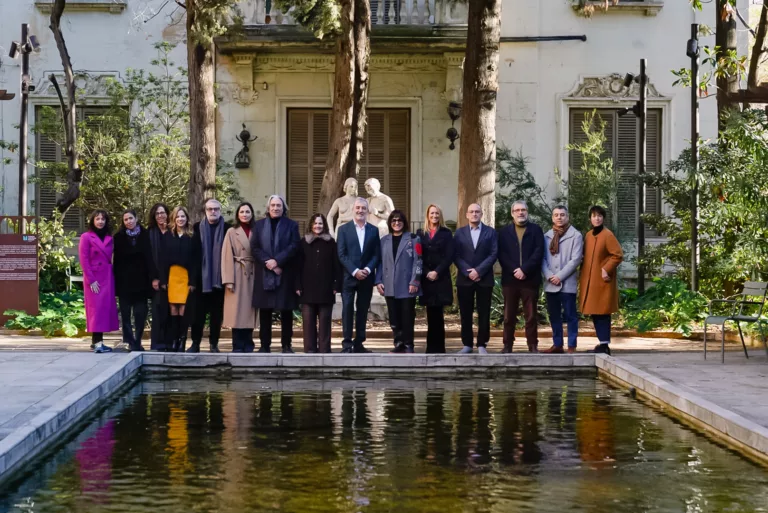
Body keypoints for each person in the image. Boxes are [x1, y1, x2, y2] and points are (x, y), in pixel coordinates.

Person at [251, 195, 301, 353]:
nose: (275, 208)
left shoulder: (292, 225)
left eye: (278, 205)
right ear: (268, 207)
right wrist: (270, 263)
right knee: (265, 312)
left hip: (285, 273)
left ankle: (286, 345)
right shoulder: (258, 226)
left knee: (286, 311)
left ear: (283, 207)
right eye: (272, 205)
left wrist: (278, 261)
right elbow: (255, 248)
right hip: (265, 273)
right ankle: (265, 346)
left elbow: (294, 246)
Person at [498, 200, 545, 353]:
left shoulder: (536, 230)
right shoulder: (504, 232)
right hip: (510, 281)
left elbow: (538, 252)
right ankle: (507, 345)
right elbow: (502, 254)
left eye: (523, 209)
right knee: (508, 316)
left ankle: (532, 345)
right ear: (512, 213)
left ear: (527, 212)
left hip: (530, 279)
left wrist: (524, 269)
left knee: (531, 316)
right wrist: (515, 270)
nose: (520, 212)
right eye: (517, 210)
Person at [337, 197, 381, 353]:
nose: (360, 210)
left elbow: (377, 255)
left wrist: (367, 270)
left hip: (367, 278)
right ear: (353, 209)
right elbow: (341, 254)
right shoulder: (343, 230)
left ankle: (359, 343)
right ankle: (347, 344)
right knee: (347, 310)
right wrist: (355, 271)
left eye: (363, 208)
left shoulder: (373, 230)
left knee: (362, 310)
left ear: (367, 210)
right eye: (358, 208)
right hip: (349, 277)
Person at [453, 203, 498, 354]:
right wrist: (468, 272)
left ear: (481, 214)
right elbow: (456, 255)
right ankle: (467, 344)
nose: (474, 214)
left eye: (477, 212)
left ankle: (482, 344)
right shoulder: (459, 233)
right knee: (465, 313)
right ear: (467, 215)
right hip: (465, 280)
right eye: (471, 212)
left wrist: (478, 271)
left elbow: (493, 254)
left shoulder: (491, 232)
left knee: (484, 313)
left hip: (484, 279)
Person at [579, 205, 623, 355]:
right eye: (593, 216)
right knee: (595, 312)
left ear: (603, 218)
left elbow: (617, 255)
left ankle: (605, 344)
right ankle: (601, 343)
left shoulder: (607, 235)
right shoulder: (589, 235)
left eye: (599, 216)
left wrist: (606, 269)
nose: (596, 218)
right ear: (590, 218)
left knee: (603, 312)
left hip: (602, 281)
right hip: (590, 282)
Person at [376, 210, 422, 353]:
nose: (396, 223)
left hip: (407, 285)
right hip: (389, 285)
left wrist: (415, 281)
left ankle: (409, 345)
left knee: (407, 316)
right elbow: (379, 263)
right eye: (394, 221)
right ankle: (399, 343)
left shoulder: (414, 239)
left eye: (399, 220)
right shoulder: (384, 241)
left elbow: (418, 261)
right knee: (394, 318)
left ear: (404, 222)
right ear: (390, 223)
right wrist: (378, 281)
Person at [189, 198, 231, 353]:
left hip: (219, 280)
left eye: (216, 209)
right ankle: (195, 344)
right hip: (201, 280)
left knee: (216, 315)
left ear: (220, 210)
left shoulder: (227, 229)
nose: (213, 212)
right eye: (210, 209)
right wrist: (192, 280)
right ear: (205, 211)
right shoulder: (197, 228)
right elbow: (193, 257)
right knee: (197, 315)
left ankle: (214, 344)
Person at [295, 213, 342, 353]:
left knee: (325, 322)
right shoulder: (303, 242)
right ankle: (309, 350)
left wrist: (336, 285)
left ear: (324, 226)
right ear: (311, 225)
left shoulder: (331, 243)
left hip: (326, 288)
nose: (317, 226)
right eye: (315, 223)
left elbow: (337, 266)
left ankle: (324, 350)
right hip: (307, 288)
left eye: (320, 223)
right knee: (308, 323)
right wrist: (297, 285)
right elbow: (297, 266)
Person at [541, 205, 583, 354]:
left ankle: (572, 345)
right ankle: (557, 344)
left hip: (567, 283)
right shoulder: (546, 236)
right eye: (556, 215)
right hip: (550, 283)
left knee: (571, 315)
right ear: (552, 218)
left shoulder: (576, 235)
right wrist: (549, 275)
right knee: (554, 315)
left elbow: (576, 259)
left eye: (562, 215)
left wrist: (559, 276)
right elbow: (543, 259)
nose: (559, 217)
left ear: (567, 217)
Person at [113, 209, 155, 352]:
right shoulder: (118, 237)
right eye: (125, 219)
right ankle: (128, 341)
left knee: (140, 314)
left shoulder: (146, 235)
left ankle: (137, 342)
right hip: (124, 282)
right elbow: (116, 262)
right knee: (125, 315)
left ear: (136, 219)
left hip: (142, 282)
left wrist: (152, 277)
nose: (129, 221)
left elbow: (150, 258)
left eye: (131, 218)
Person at [79, 210, 119, 353]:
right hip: (94, 278)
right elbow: (84, 260)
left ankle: (97, 342)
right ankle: (97, 343)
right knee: (96, 310)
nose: (100, 221)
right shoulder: (86, 237)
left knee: (103, 310)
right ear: (93, 221)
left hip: (107, 277)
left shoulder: (110, 238)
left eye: (103, 219)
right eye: (97, 218)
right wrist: (91, 280)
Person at [221, 202, 259, 353]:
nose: (245, 214)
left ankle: (249, 343)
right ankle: (237, 344)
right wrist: (228, 280)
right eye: (242, 211)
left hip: (253, 272)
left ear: (252, 214)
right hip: (237, 273)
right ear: (237, 214)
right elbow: (226, 256)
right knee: (236, 311)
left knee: (250, 310)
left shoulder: (257, 230)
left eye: (247, 211)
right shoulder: (231, 231)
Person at [417, 204, 454, 353]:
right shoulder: (420, 233)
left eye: (437, 213)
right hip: (427, 279)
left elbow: (449, 256)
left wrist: (437, 271)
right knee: (430, 313)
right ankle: (430, 348)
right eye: (432, 213)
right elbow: (418, 255)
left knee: (439, 314)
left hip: (441, 278)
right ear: (427, 215)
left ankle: (440, 348)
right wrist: (427, 272)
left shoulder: (446, 233)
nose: (434, 216)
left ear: (440, 215)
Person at [161, 206, 197, 352]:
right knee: (172, 309)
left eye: (183, 216)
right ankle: (173, 340)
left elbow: (196, 260)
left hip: (186, 276)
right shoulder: (168, 236)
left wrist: (193, 281)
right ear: (173, 219)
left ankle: (182, 340)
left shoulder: (192, 236)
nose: (180, 219)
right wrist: (163, 280)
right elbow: (162, 260)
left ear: (187, 218)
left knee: (183, 309)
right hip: (172, 275)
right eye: (178, 217)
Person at [147, 203, 171, 351]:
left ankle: (170, 343)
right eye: (157, 213)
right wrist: (154, 278)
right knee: (157, 311)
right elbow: (148, 259)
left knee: (171, 312)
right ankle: (156, 344)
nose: (160, 216)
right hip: (156, 278)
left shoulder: (173, 231)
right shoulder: (150, 233)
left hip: (173, 279)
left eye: (162, 213)